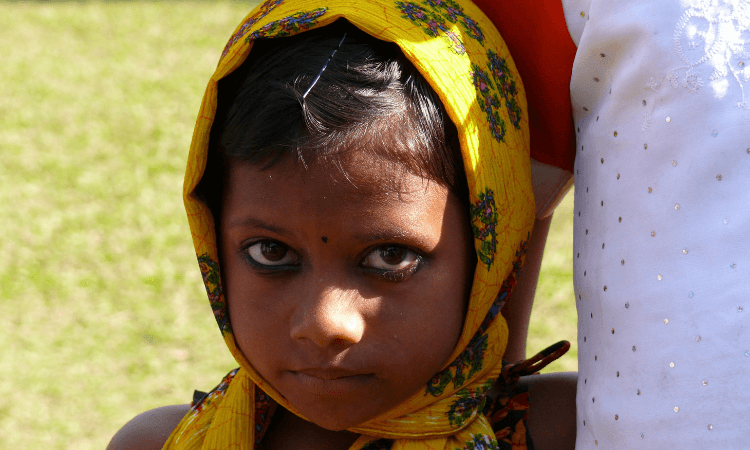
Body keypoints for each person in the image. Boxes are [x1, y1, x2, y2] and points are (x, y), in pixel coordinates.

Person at [106, 0, 578, 449]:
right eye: (270, 252)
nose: (324, 323)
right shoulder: (162, 444)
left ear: (489, 255)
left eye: (390, 256)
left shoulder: (581, 432)